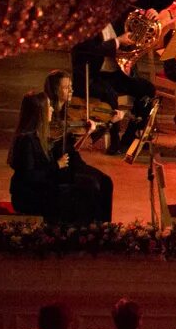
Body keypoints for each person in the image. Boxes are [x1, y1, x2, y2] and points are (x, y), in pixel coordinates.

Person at [8, 82, 113, 223]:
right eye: (48, 106)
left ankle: (93, 229)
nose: (51, 109)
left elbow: (40, 168)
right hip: (29, 197)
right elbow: (30, 176)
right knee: (83, 193)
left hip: (38, 190)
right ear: (40, 112)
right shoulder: (27, 139)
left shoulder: (36, 135)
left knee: (87, 187)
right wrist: (57, 165)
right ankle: (80, 233)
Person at [70, 12, 161, 156]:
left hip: (114, 73)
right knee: (110, 94)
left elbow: (135, 34)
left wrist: (149, 15)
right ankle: (115, 141)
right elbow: (93, 49)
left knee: (147, 89)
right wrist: (117, 41)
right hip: (91, 77)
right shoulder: (85, 25)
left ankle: (131, 137)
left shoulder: (117, 20)